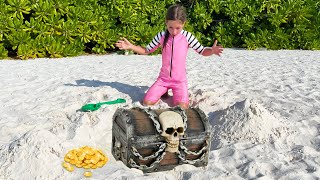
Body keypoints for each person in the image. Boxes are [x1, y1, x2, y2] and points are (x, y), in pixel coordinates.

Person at [115, 4, 223, 109]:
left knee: (182, 107)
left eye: (178, 28)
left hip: (179, 81)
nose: (174, 31)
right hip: (163, 80)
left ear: (184, 24)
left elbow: (202, 51)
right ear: (166, 22)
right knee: (147, 102)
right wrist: (131, 46)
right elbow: (147, 50)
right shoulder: (161, 35)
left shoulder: (188, 37)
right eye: (170, 27)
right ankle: (164, 91)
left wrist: (212, 51)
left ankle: (167, 92)